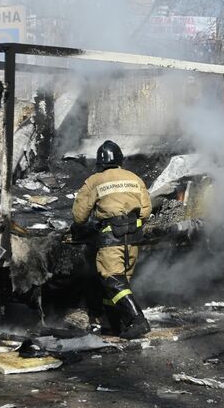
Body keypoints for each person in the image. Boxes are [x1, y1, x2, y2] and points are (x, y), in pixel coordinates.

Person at [72, 140, 152, 339]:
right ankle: (113, 324)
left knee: (112, 279)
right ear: (119, 160)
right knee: (119, 282)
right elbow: (146, 210)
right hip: (133, 237)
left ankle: (138, 321)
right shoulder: (134, 178)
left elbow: (79, 216)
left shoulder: (95, 180)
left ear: (100, 163)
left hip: (110, 238)